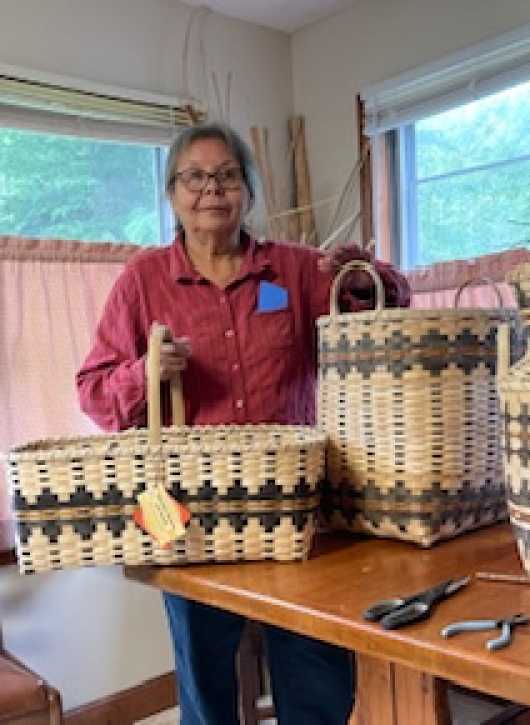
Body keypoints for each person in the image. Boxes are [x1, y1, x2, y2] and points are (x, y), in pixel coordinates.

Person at [76, 121, 410, 725]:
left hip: (297, 509)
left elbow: (382, 315)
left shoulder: (296, 270)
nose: (212, 189)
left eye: (228, 175)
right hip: (189, 516)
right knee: (207, 692)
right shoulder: (142, 281)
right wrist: (142, 372)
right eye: (195, 177)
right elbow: (95, 396)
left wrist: (369, 279)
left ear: (248, 190)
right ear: (172, 193)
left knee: (316, 680)